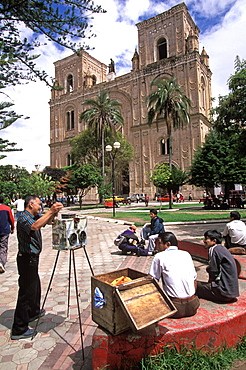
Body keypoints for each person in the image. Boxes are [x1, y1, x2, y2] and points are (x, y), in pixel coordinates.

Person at [11, 195, 63, 340]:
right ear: (31, 204)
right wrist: (50, 211)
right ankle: (19, 328)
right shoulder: (23, 217)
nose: (41, 207)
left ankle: (33, 312)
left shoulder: (34, 215)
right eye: (39, 204)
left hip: (33, 259)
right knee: (26, 292)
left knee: (34, 287)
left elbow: (47, 221)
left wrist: (53, 213)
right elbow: (35, 226)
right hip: (26, 259)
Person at [149, 232, 200, 318]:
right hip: (193, 305)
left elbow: (152, 280)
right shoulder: (186, 254)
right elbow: (194, 280)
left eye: (159, 243)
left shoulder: (160, 256)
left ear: (168, 244)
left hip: (175, 308)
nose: (157, 246)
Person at [196, 230, 239, 303]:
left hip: (222, 292)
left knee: (193, 284)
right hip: (232, 293)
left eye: (206, 239)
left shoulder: (214, 250)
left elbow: (213, 270)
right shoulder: (222, 249)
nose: (204, 241)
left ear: (214, 241)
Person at [0, 195, 15, 273]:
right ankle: (1, 262)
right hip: (4, 230)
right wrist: (12, 228)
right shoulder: (7, 208)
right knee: (3, 247)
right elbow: (11, 219)